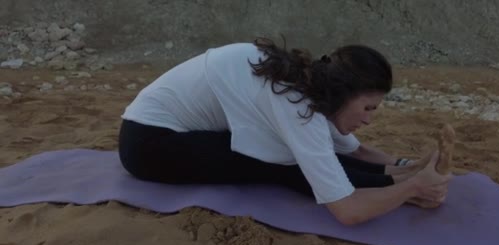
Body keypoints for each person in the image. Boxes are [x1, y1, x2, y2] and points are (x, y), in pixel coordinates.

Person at [118, 37, 452, 226]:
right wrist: (412, 189)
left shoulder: (310, 83)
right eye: (367, 108)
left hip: (159, 131)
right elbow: (348, 210)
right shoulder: (296, 106)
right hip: (150, 144)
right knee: (279, 162)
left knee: (296, 154)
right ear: (344, 93)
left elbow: (357, 151)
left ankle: (400, 177)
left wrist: (407, 166)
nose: (369, 119)